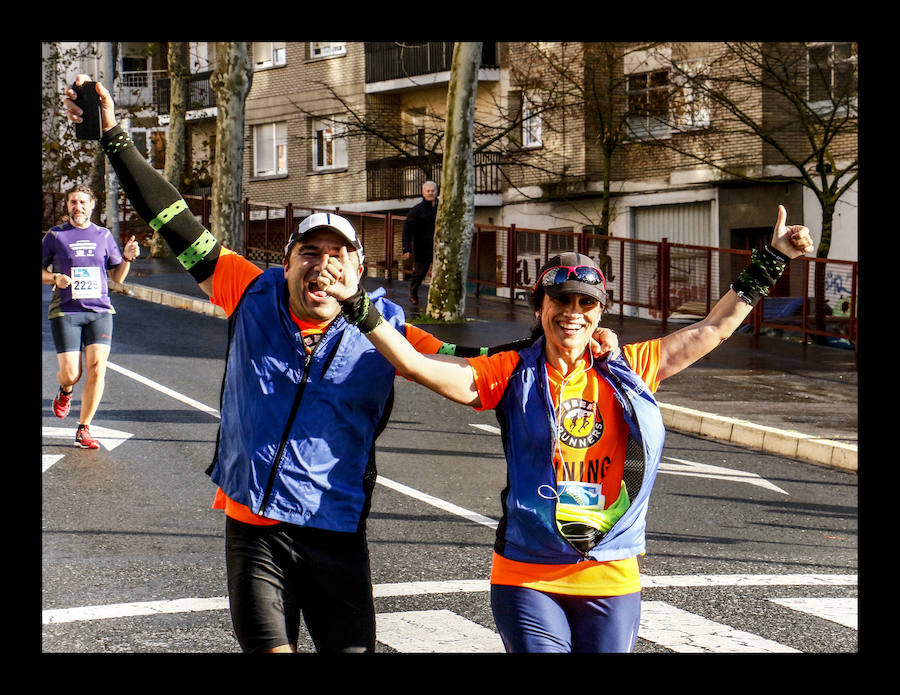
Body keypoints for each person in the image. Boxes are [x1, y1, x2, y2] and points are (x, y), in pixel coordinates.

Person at [64, 76, 618, 653]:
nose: (322, 266)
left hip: (336, 531)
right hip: (255, 528)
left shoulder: (384, 328)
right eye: (310, 253)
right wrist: (114, 138)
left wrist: (565, 335)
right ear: (287, 262)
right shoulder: (252, 291)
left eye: (338, 255)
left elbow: (467, 363)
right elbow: (175, 221)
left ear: (357, 270)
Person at [317, 208, 814, 653]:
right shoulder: (511, 371)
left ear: (600, 312)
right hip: (527, 572)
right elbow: (418, 365)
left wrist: (773, 258)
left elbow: (713, 329)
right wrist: (357, 304)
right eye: (562, 300)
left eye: (586, 303)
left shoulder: (630, 366)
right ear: (540, 307)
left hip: (611, 572)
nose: (573, 313)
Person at [42, 184, 140, 449]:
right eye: (73, 202)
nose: (78, 207)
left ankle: (83, 428)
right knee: (71, 373)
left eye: (83, 202)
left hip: (99, 311)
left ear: (92, 205)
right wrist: (55, 277)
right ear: (67, 206)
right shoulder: (55, 236)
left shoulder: (103, 236)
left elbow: (116, 277)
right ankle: (65, 391)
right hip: (66, 309)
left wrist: (127, 259)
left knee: (97, 369)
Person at [401, 180, 437, 306]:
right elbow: (407, 230)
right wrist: (406, 249)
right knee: (420, 272)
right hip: (422, 246)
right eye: (428, 191)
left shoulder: (441, 208)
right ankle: (413, 292)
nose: (431, 193)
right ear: (423, 193)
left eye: (433, 191)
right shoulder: (416, 211)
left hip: (439, 246)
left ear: (436, 192)